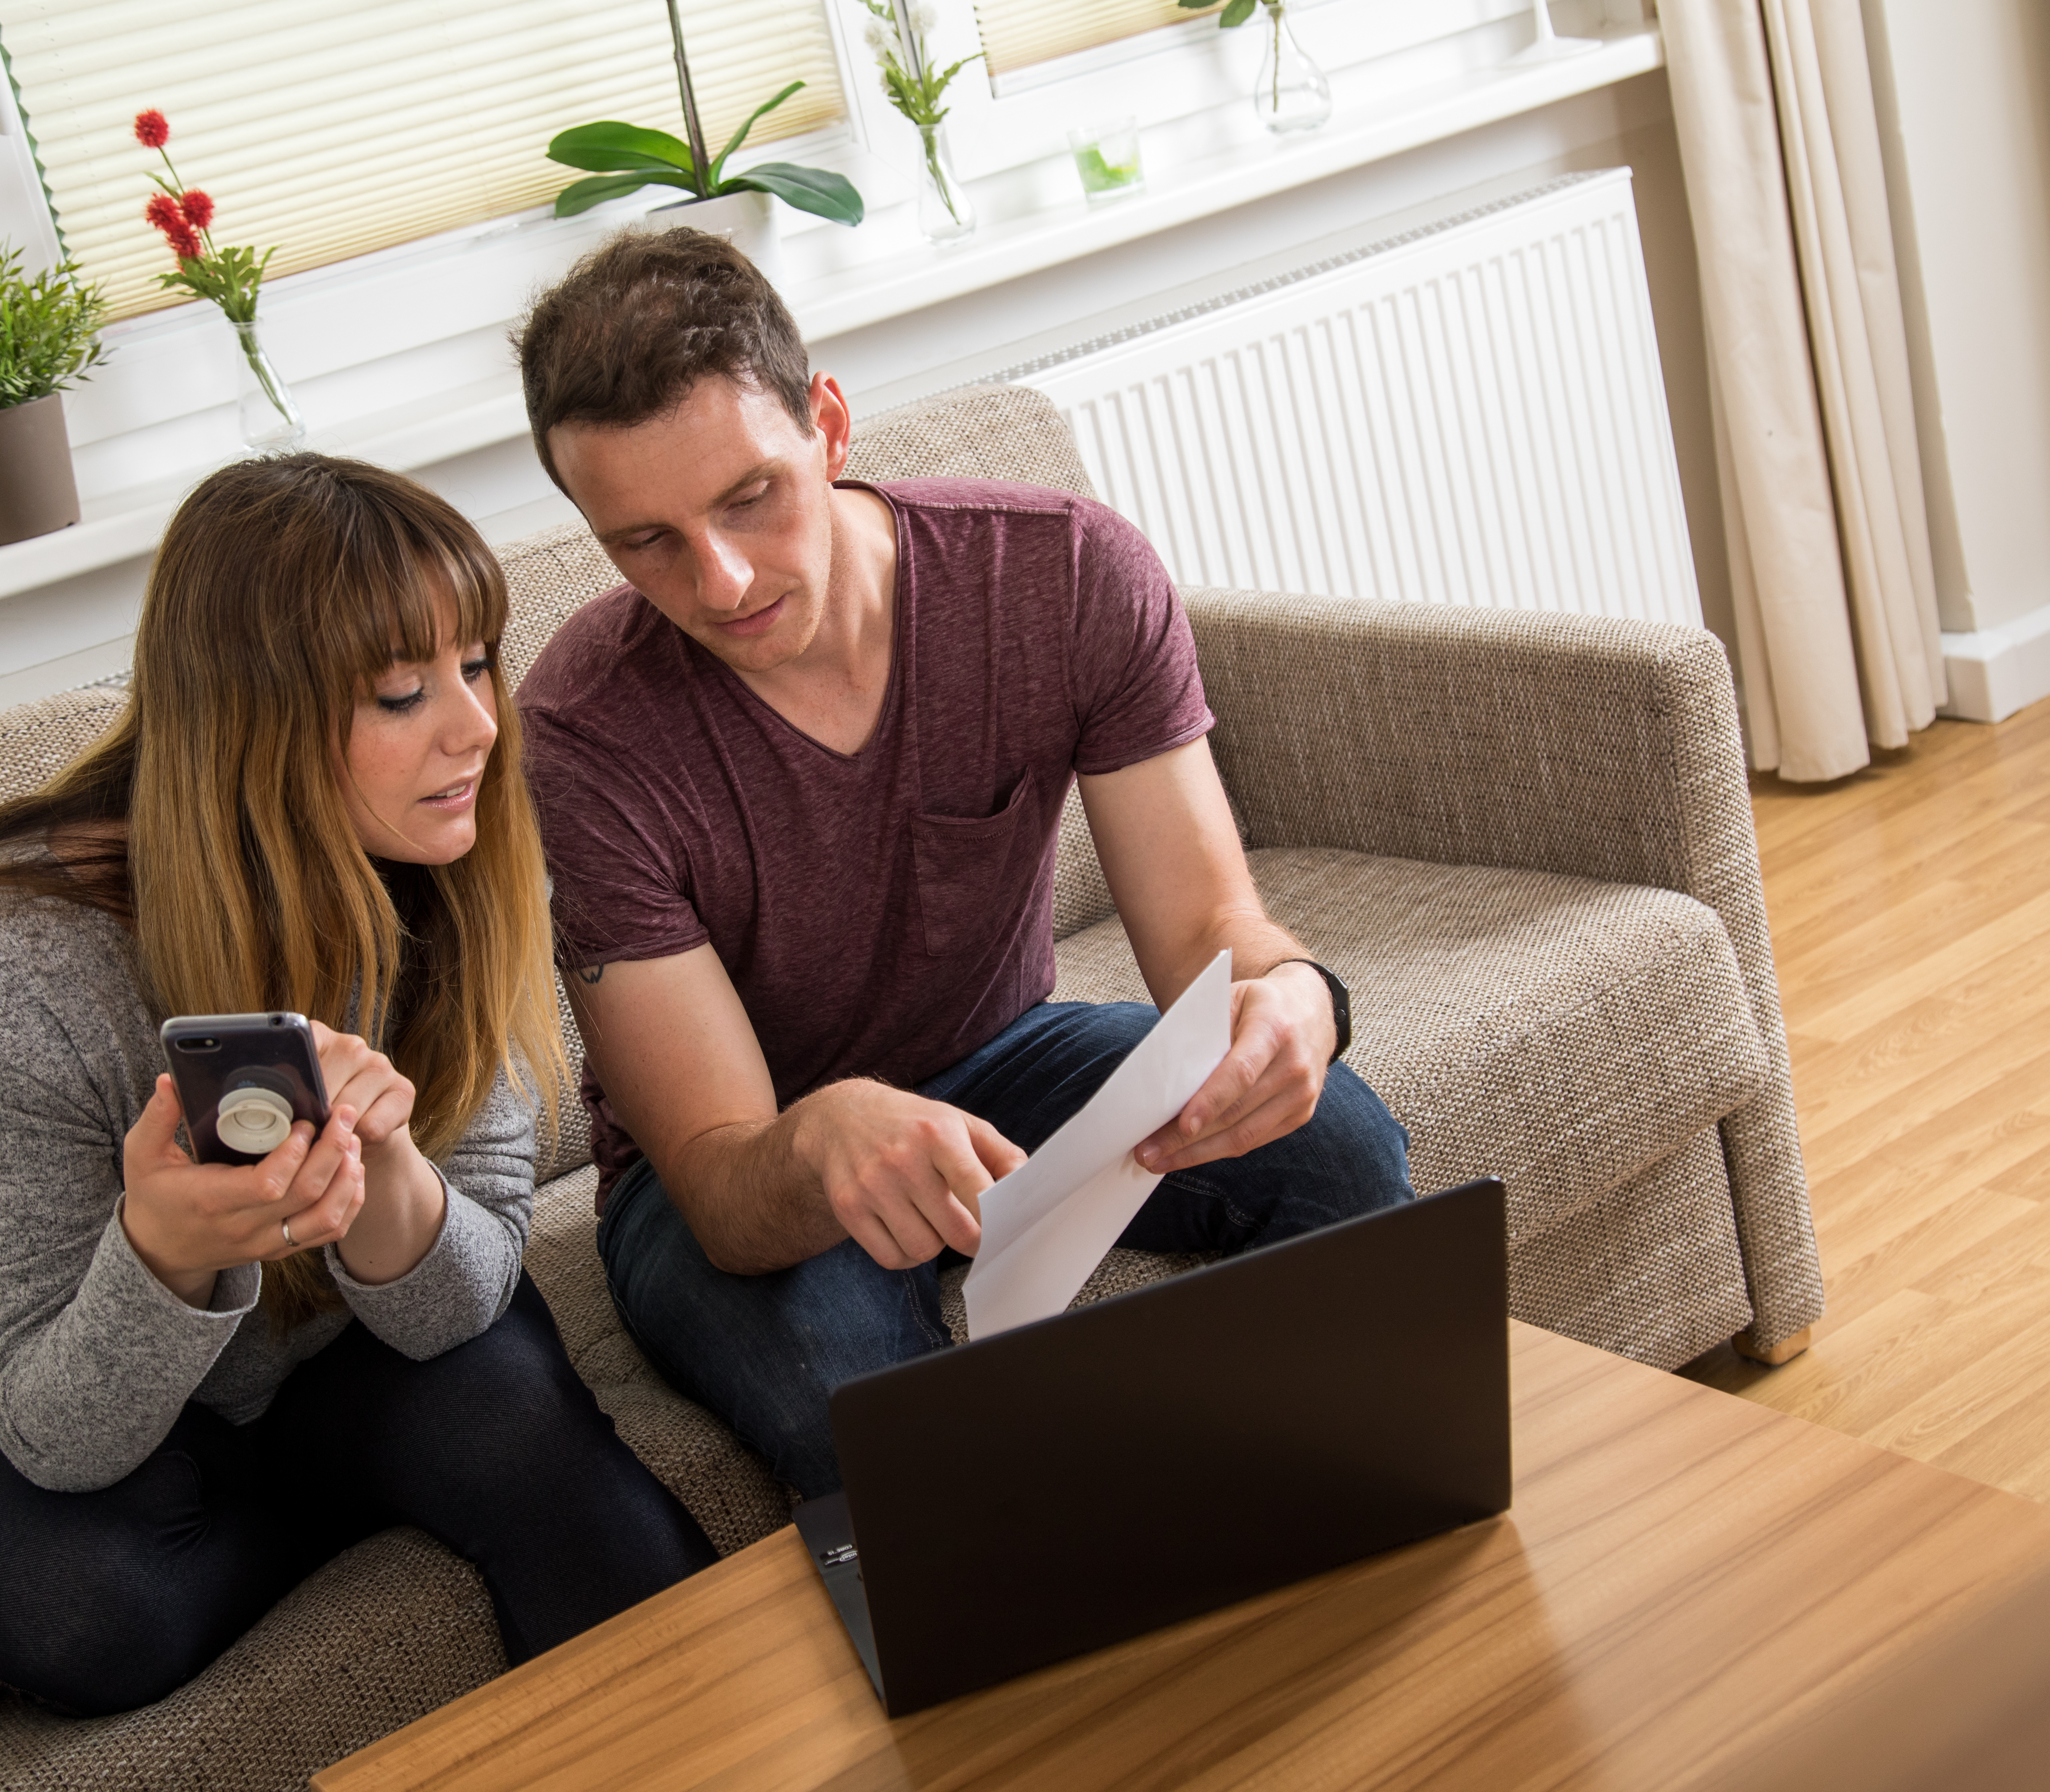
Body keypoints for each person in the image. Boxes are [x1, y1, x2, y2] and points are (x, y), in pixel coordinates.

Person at [513, 230, 1418, 1500]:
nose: (718, 583)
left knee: (1342, 1149)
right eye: (646, 541)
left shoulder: (1058, 575)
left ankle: (1324, 1528)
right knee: (861, 1382)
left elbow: (1214, 926)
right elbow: (719, 1180)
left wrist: (1296, 999)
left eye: (749, 497)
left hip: (1001, 1062)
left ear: (829, 427)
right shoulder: (585, 734)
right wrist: (822, 1133)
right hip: (744, 1159)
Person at [0, 454, 717, 1715]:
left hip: (356, 1365)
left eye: (476, 665)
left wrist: (387, 1175)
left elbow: (463, 1301)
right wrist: (162, 1250)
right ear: (251, 720)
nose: (476, 728)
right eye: (400, 693)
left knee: (507, 1414)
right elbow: (57, 1435)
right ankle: (335, 1505)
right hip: (90, 1422)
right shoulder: (18, 961)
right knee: (73, 1609)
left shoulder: (458, 856)